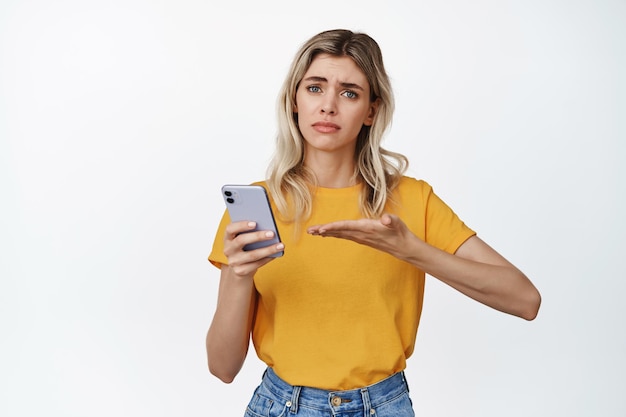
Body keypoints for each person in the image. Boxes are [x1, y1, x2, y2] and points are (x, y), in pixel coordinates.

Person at [206, 29, 541, 417]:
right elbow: (222, 368)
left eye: (349, 92)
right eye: (315, 88)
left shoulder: (412, 200)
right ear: (294, 100)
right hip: (279, 405)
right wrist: (238, 276)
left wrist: (412, 251)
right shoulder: (257, 207)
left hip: (382, 407)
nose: (329, 105)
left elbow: (525, 300)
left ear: (371, 111)